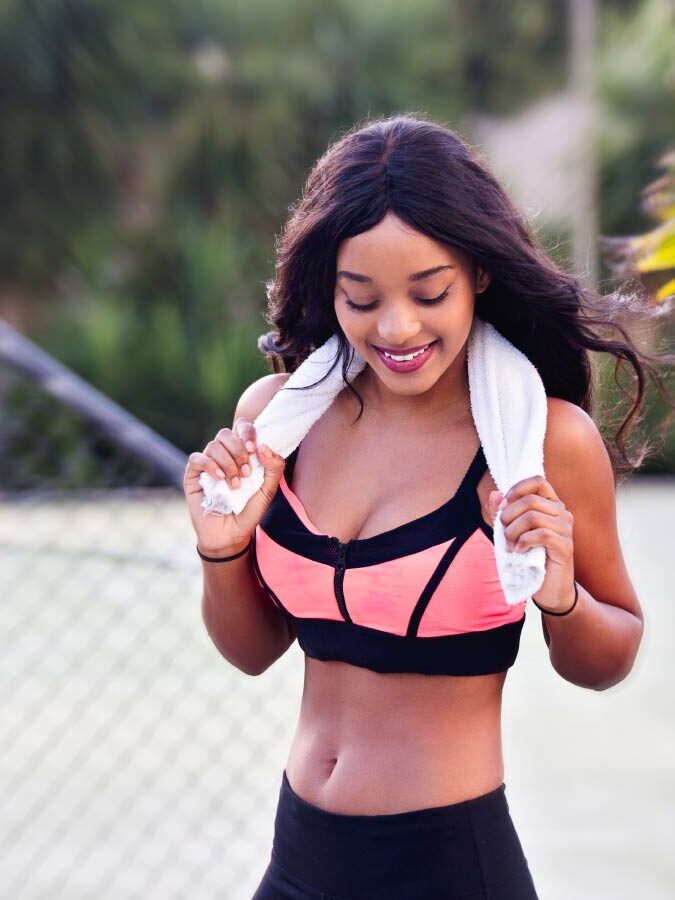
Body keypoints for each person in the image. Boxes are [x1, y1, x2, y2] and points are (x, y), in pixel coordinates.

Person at [184, 114, 654, 900]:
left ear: (478, 273)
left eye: (428, 292)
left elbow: (608, 661)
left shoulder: (540, 442)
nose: (396, 327)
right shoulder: (275, 420)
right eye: (360, 298)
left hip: (446, 868)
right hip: (297, 859)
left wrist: (560, 597)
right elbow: (253, 652)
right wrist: (221, 550)